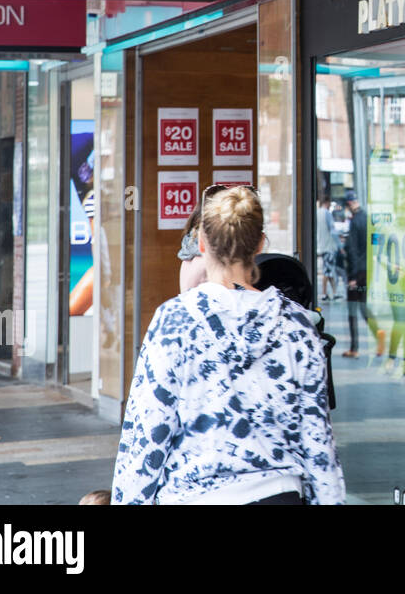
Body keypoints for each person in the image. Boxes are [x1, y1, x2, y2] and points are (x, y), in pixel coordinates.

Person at [112, 186, 344, 504]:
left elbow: (147, 435)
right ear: (260, 244)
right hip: (278, 494)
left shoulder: (174, 321)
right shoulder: (296, 324)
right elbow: (318, 439)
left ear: (203, 244)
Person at [341, 191, 383, 358]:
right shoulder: (367, 218)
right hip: (367, 270)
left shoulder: (354, 221)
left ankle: (354, 348)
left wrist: (352, 277)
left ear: (349, 204)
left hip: (357, 271)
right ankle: (378, 333)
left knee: (352, 309)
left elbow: (351, 250)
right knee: (364, 307)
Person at [316, 196, 341, 301]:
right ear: (327, 202)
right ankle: (324, 293)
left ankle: (334, 292)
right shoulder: (327, 213)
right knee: (327, 271)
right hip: (328, 246)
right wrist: (339, 245)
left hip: (321, 245)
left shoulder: (317, 213)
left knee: (329, 269)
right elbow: (332, 231)